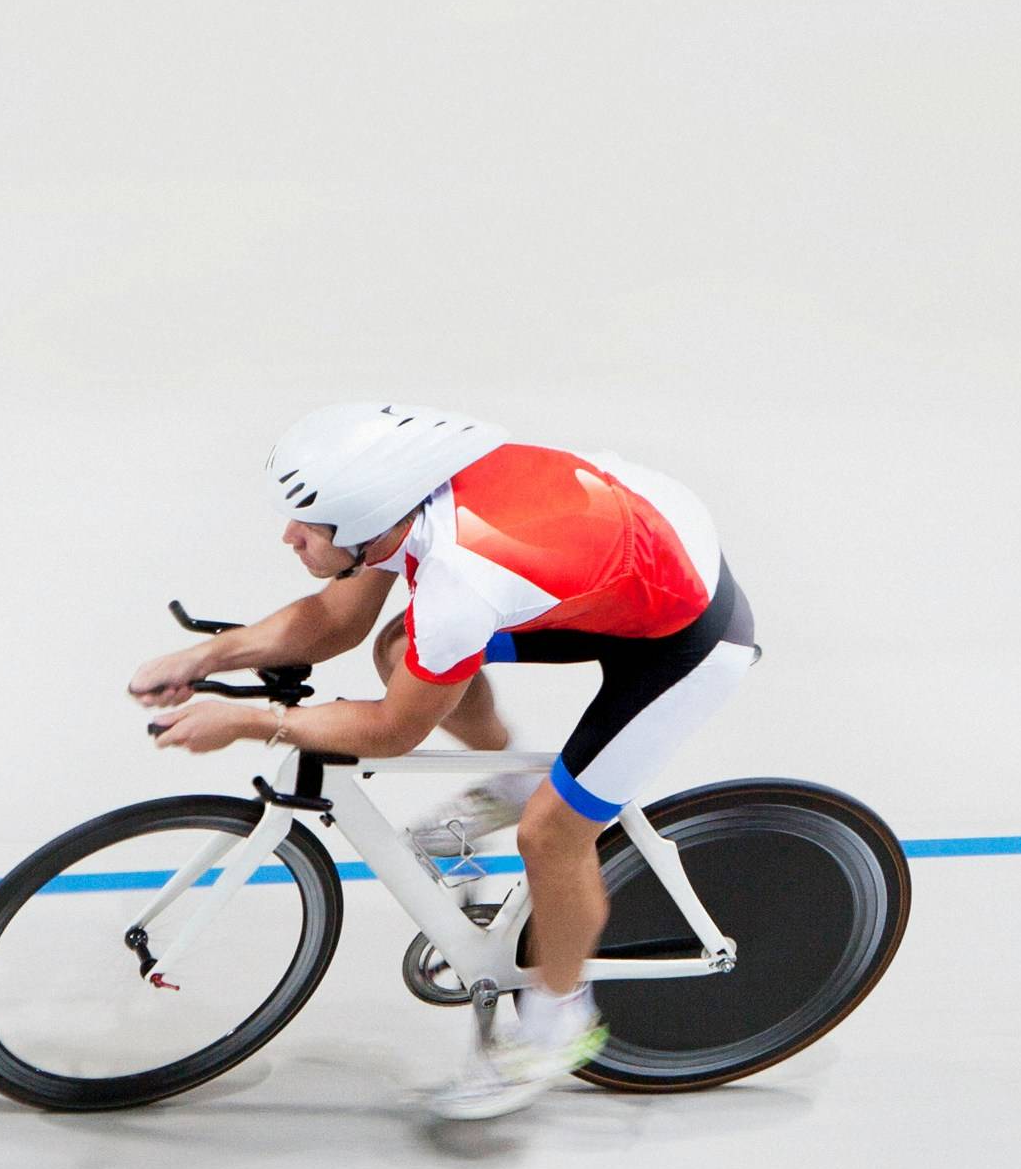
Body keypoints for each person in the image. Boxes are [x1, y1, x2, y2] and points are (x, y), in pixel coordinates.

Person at [135, 405, 755, 1122]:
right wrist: (204, 656)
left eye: (308, 525)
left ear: (367, 518)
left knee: (552, 834)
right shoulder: (403, 502)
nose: (289, 536)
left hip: (687, 640)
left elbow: (393, 729)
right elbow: (335, 622)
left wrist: (252, 721)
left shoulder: (460, 581)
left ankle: (562, 1021)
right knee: (403, 649)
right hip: (619, 562)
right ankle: (514, 779)